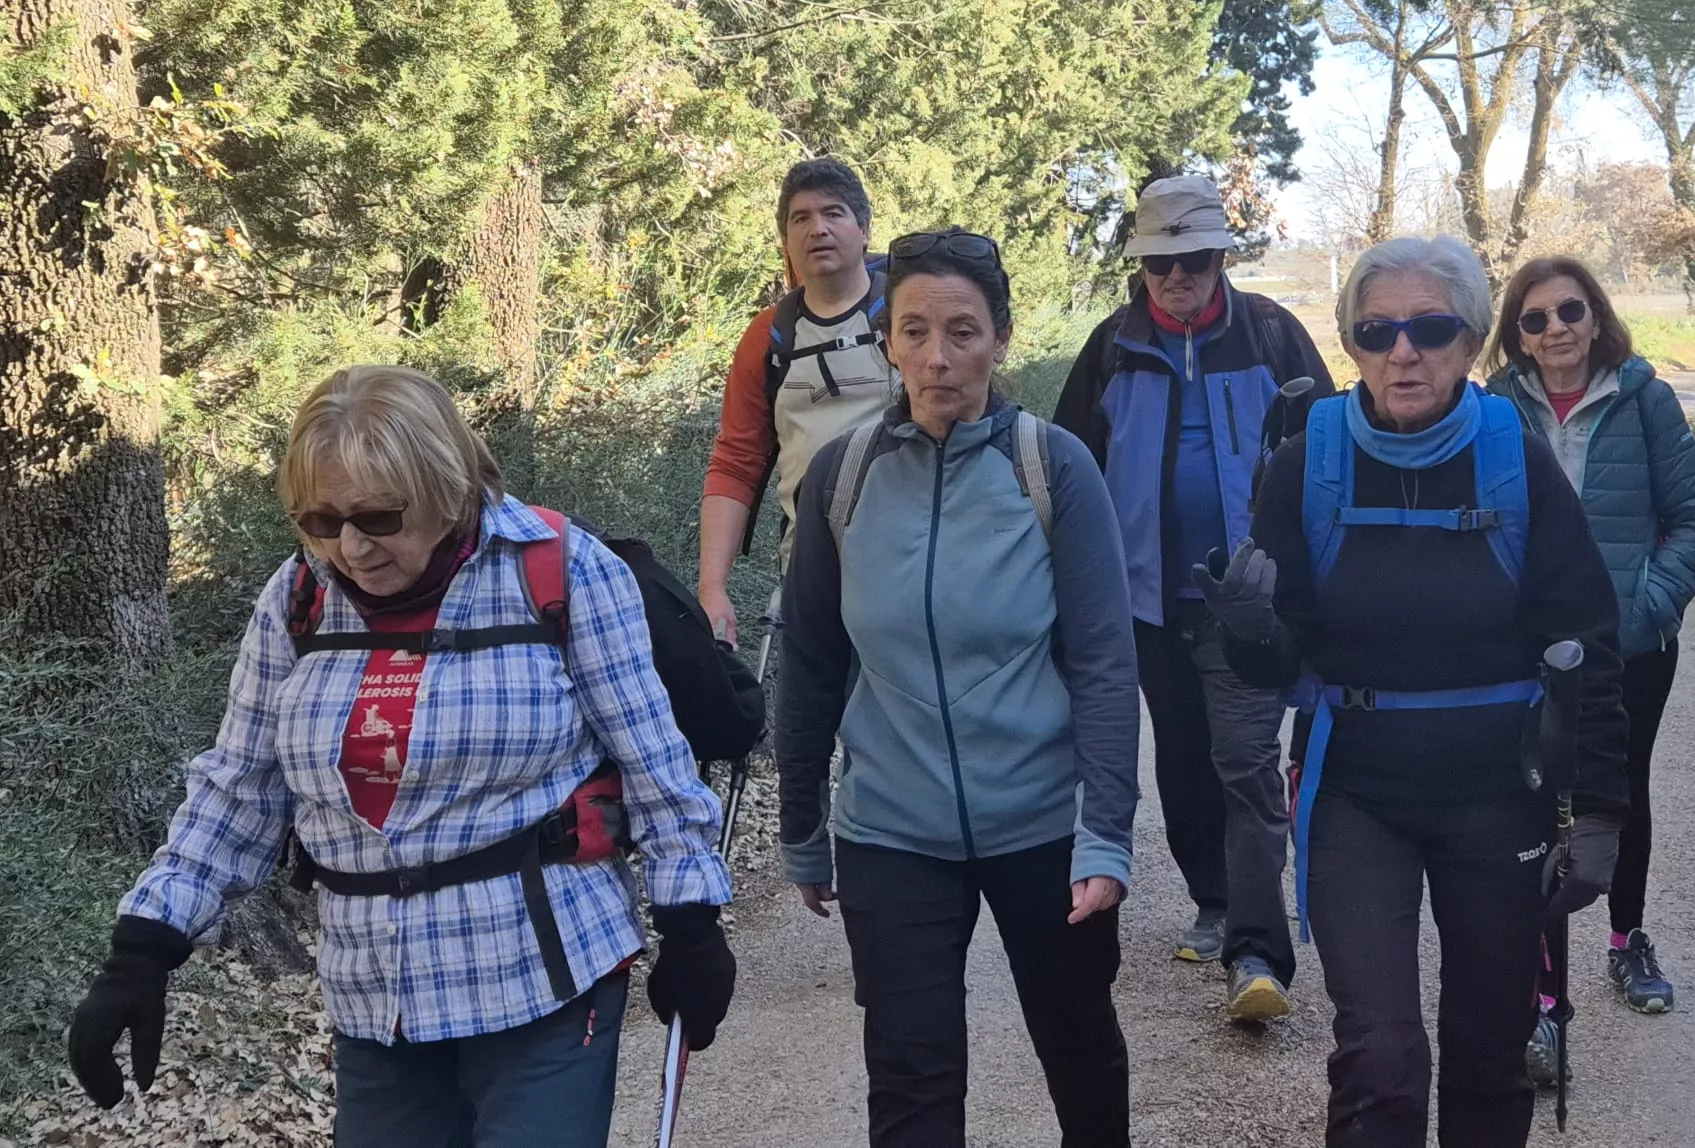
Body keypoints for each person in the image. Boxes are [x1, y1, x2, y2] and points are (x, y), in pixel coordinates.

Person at [66, 366, 735, 1147]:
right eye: (321, 520)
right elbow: (240, 787)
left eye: (378, 517)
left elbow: (655, 765)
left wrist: (690, 920)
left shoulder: (562, 570)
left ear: (446, 488)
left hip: (546, 976)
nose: (351, 547)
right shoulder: (298, 599)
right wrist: (143, 948)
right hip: (375, 1000)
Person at [1199, 236, 1627, 1148]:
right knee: (1379, 1055)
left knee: (1492, 1048)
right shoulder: (1306, 462)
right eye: (1376, 332)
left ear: (1469, 341)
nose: (1402, 353)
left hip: (1501, 795)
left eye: (1429, 330)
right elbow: (1277, 663)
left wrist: (1597, 809)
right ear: (1351, 343)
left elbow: (1586, 643)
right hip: (1357, 795)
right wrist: (1249, 630)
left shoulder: (1515, 459)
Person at [778, 228, 1140, 1148]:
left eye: (963, 332)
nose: (938, 357)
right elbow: (812, 659)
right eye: (915, 331)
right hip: (890, 832)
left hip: (1041, 827)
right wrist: (801, 824)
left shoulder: (1053, 467)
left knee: (1080, 1055)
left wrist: (1105, 831)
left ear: (1001, 338)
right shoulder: (841, 477)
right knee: (911, 1081)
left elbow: (1104, 660)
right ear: (888, 342)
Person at [1054, 174, 1333, 1023]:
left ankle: (1256, 946)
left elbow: (1329, 457)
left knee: (1244, 763)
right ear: (1141, 265)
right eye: (1161, 262)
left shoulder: (1273, 336)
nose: (1177, 276)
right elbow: (1064, 469)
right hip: (1145, 600)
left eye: (1196, 258)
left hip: (1247, 600)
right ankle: (1214, 900)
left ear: (1221, 257)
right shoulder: (1111, 346)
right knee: (1180, 758)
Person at [1487, 258, 1695, 1042]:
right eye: (1536, 318)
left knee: (1619, 791)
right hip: (1524, 648)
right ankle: (1537, 974)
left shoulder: (1644, 399)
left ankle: (1627, 941)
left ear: (1596, 316)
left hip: (1627, 647)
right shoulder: (1494, 410)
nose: (1556, 328)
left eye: (1570, 311)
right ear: (1518, 336)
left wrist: (1647, 603)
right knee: (1526, 800)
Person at [699, 157, 894, 644]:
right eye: (800, 218)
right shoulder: (768, 337)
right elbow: (736, 462)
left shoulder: (908, 317)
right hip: (810, 572)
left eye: (833, 213)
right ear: (786, 240)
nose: (817, 229)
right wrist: (712, 588)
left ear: (864, 229)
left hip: (912, 565)